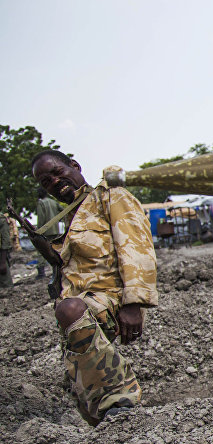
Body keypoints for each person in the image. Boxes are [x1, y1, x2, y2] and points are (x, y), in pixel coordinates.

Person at [31, 149, 158, 426]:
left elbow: (136, 247)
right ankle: (105, 420)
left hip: (110, 299)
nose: (54, 182)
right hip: (82, 305)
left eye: (57, 172)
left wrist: (134, 303)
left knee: (70, 310)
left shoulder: (110, 196)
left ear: (74, 166)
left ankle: (120, 400)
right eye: (46, 181)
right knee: (83, 383)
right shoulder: (73, 214)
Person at [34, 186, 61, 279]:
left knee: (42, 251)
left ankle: (41, 273)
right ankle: (59, 270)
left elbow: (41, 218)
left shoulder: (41, 203)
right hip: (56, 230)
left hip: (45, 231)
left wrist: (38, 231)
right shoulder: (53, 202)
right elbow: (63, 210)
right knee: (56, 250)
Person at [0, 212, 12, 287]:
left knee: (6, 286)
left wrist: (3, 262)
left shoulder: (1, 219)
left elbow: (5, 240)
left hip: (1, 255)